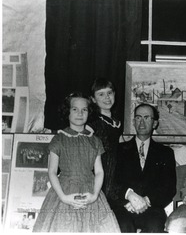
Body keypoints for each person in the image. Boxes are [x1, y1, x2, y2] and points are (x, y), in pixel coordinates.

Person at [32, 92, 120, 232]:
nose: (80, 113)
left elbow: (99, 171)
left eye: (84, 109)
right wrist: (63, 197)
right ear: (67, 112)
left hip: (90, 192)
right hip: (64, 192)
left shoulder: (95, 141)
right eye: (75, 109)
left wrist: (95, 195)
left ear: (89, 112)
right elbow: (52, 172)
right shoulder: (59, 139)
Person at [108, 103, 176, 232]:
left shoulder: (165, 153)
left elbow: (169, 187)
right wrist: (128, 199)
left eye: (146, 117)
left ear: (155, 123)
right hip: (124, 207)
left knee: (154, 227)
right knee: (123, 226)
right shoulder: (119, 150)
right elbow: (112, 183)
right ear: (133, 122)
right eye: (138, 118)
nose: (142, 122)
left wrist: (146, 201)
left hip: (152, 208)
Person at [87, 78, 123, 197]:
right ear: (93, 99)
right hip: (98, 176)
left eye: (109, 93)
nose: (107, 97)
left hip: (115, 176)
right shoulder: (92, 124)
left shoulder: (117, 123)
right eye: (101, 94)